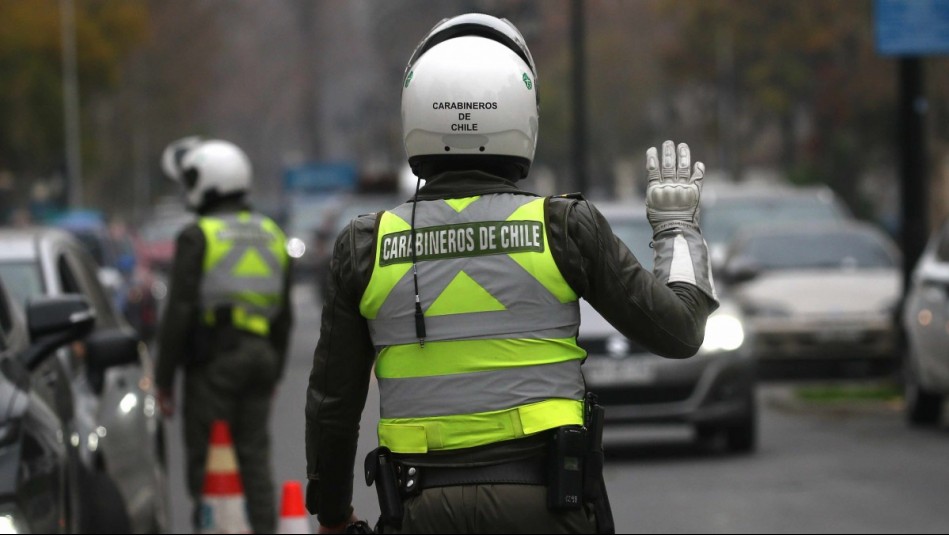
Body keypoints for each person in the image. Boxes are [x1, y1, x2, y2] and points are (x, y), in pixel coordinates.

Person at [304, 13, 717, 535]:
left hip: (419, 511)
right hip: (548, 508)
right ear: (524, 115)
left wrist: (334, 515)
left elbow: (333, 407)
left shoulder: (364, 247)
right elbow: (680, 331)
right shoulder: (563, 229)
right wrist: (678, 230)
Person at [156, 136, 293, 534]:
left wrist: (165, 381)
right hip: (262, 359)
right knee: (254, 458)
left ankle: (216, 527)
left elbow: (178, 313)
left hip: (215, 363)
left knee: (208, 460)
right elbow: (284, 317)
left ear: (209, 181)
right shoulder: (272, 233)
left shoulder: (198, 236)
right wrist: (276, 372)